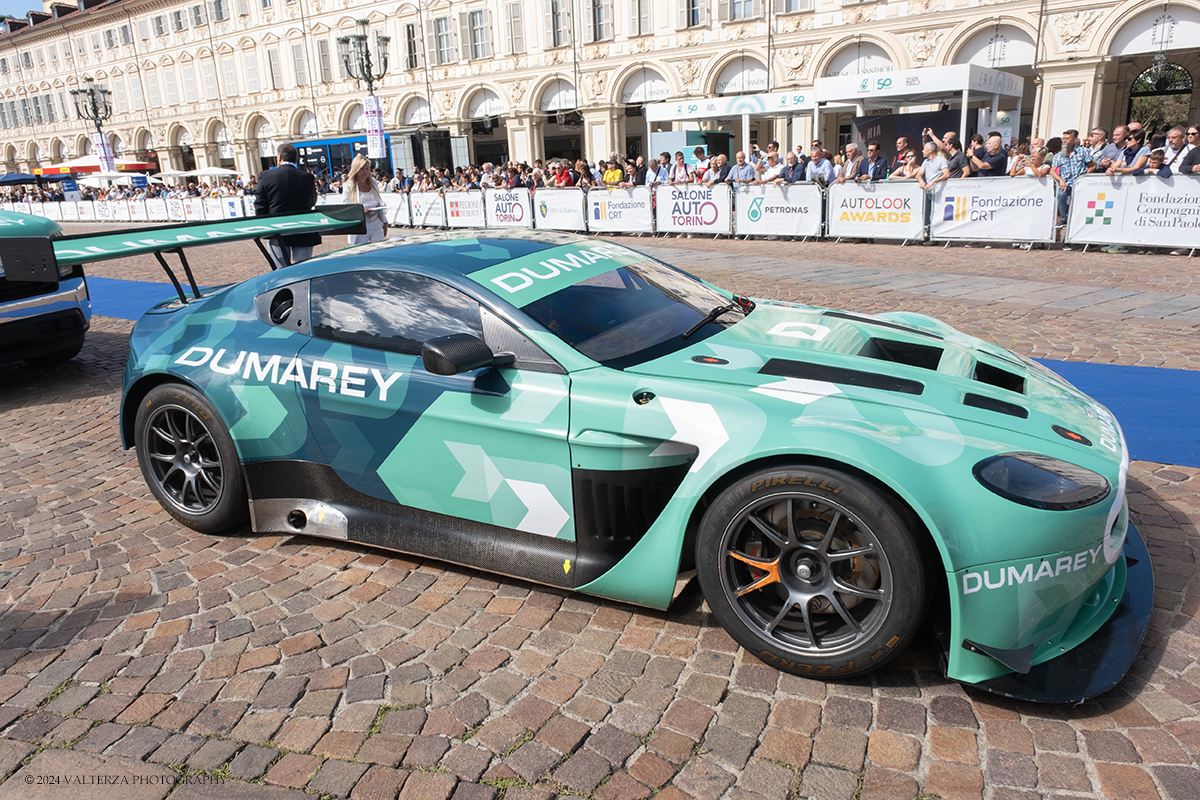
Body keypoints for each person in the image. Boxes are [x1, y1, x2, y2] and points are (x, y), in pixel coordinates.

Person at [254, 143, 320, 267]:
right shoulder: (307, 177)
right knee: (303, 269)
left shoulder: (266, 176)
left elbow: (260, 205)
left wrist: (264, 226)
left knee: (280, 270)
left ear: (279, 157)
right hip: (302, 228)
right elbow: (312, 201)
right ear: (295, 159)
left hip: (276, 228)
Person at [340, 155, 387, 244]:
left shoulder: (373, 182)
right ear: (356, 169)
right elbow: (345, 207)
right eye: (362, 169)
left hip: (375, 223)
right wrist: (360, 211)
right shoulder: (348, 186)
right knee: (362, 253)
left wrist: (384, 221)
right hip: (359, 226)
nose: (365, 172)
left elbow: (378, 204)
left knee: (380, 250)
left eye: (367, 168)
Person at [1051, 135, 1094, 230]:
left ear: (1074, 140)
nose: (1064, 141)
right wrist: (1061, 180)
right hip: (1067, 183)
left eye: (1067, 139)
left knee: (1078, 204)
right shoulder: (1059, 155)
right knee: (1061, 194)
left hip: (1080, 183)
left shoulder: (1083, 151)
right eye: (1063, 139)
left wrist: (1083, 177)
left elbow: (1092, 166)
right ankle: (1063, 219)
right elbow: (1052, 171)